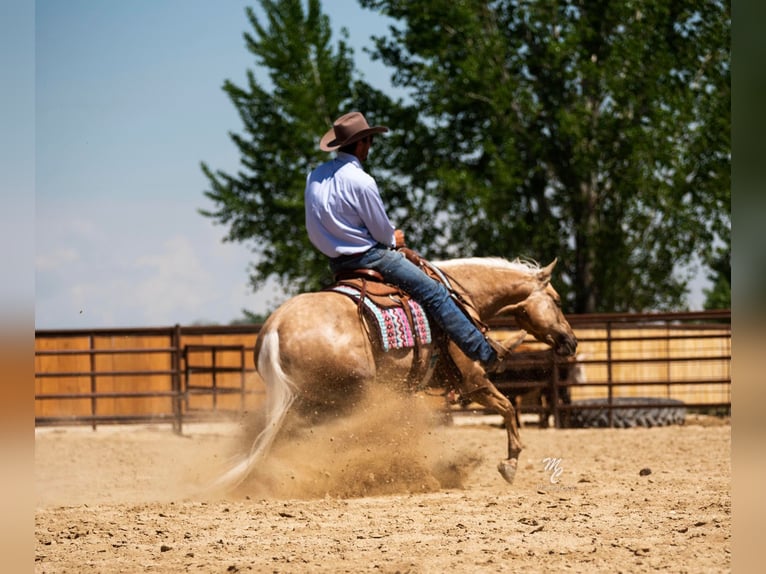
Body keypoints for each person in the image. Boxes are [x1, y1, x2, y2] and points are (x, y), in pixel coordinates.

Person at [304, 111, 513, 373]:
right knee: (435, 293)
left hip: (336, 263)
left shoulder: (314, 177)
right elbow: (382, 233)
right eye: (369, 141)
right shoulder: (361, 181)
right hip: (370, 257)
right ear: (360, 144)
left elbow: (313, 225)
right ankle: (485, 354)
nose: (370, 147)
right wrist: (395, 238)